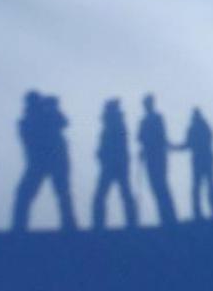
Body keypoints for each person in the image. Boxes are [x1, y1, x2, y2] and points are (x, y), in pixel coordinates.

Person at [11, 91, 77, 231]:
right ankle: (19, 227)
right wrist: (51, 109)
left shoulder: (42, 117)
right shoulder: (28, 121)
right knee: (26, 195)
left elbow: (64, 122)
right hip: (41, 162)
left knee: (61, 193)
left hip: (52, 161)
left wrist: (53, 108)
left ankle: (69, 225)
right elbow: (62, 123)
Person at [91, 99, 138, 229]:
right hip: (117, 163)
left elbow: (112, 145)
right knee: (124, 193)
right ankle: (131, 221)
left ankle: (99, 224)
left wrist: (102, 154)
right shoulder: (115, 123)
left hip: (113, 164)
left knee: (104, 194)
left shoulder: (115, 124)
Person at [137, 94, 177, 226]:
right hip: (154, 157)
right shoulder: (148, 120)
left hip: (157, 157)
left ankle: (169, 217)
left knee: (160, 186)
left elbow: (158, 137)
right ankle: (166, 216)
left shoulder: (154, 119)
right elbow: (141, 138)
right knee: (157, 186)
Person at [176, 108, 213, 220]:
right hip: (206, 158)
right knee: (208, 184)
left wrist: (173, 147)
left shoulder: (195, 128)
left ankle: (200, 212)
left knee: (199, 186)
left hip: (200, 159)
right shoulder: (204, 126)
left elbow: (187, 144)